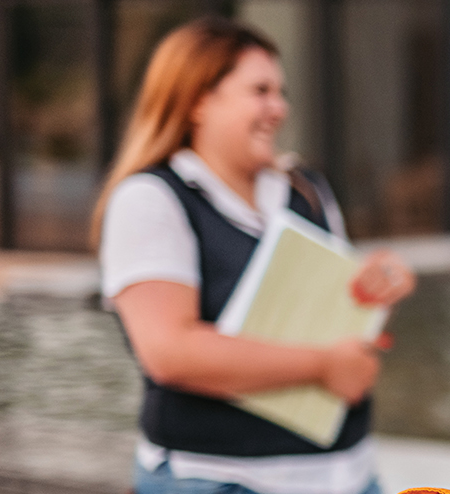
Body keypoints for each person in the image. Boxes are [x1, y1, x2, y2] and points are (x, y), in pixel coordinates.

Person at [96, 17, 415, 494]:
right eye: (260, 91)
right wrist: (324, 366)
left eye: (280, 92)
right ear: (199, 100)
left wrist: (379, 284)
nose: (279, 108)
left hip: (347, 475)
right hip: (218, 480)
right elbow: (169, 352)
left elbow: (336, 319)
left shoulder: (305, 189)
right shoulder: (150, 199)